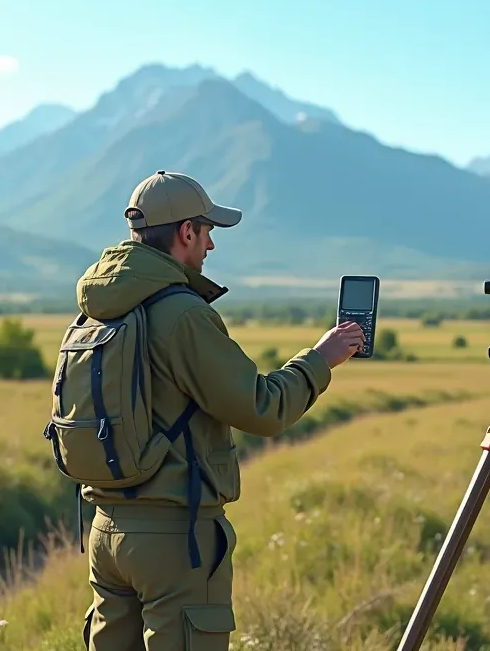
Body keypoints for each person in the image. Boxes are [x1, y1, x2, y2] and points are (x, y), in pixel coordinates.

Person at [74, 170, 366, 651]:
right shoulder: (181, 313)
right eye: (207, 231)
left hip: (106, 529)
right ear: (186, 231)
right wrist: (320, 359)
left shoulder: (98, 308)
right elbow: (262, 408)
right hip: (175, 538)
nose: (210, 245)